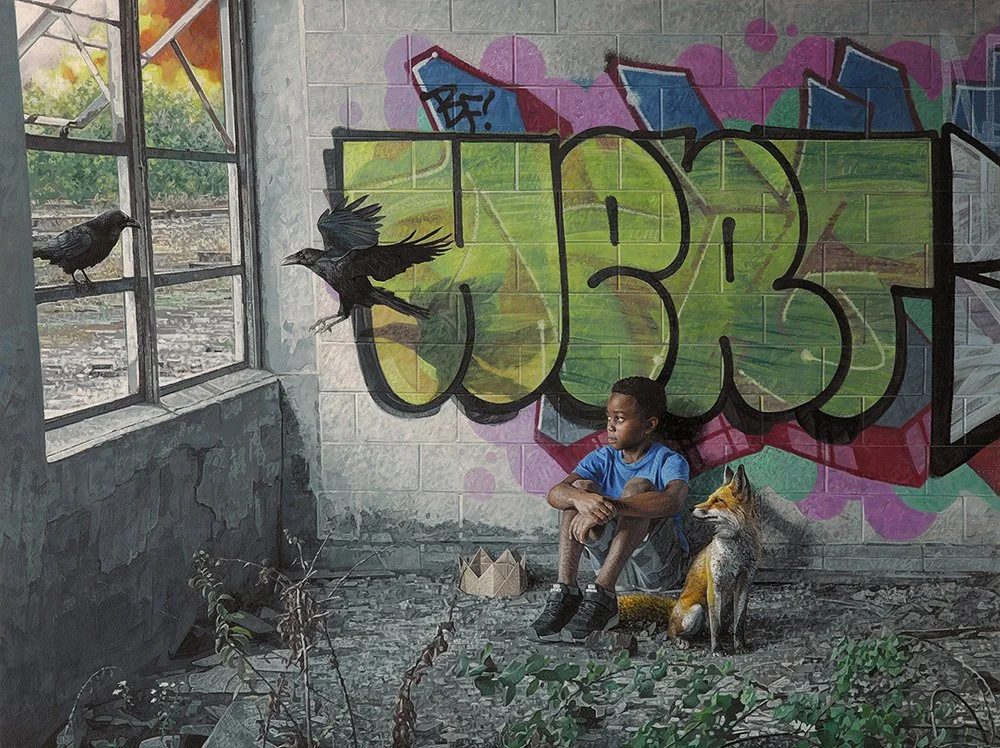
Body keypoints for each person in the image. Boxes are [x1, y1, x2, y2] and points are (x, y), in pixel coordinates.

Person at [530, 376, 691, 643]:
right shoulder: (602, 458)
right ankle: (567, 592)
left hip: (657, 572)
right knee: (579, 488)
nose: (610, 427)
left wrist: (614, 506)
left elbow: (674, 500)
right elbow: (555, 494)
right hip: (610, 564)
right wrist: (583, 500)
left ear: (649, 425)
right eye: (608, 418)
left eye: (619, 419)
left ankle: (604, 596)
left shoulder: (669, 460)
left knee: (638, 488)